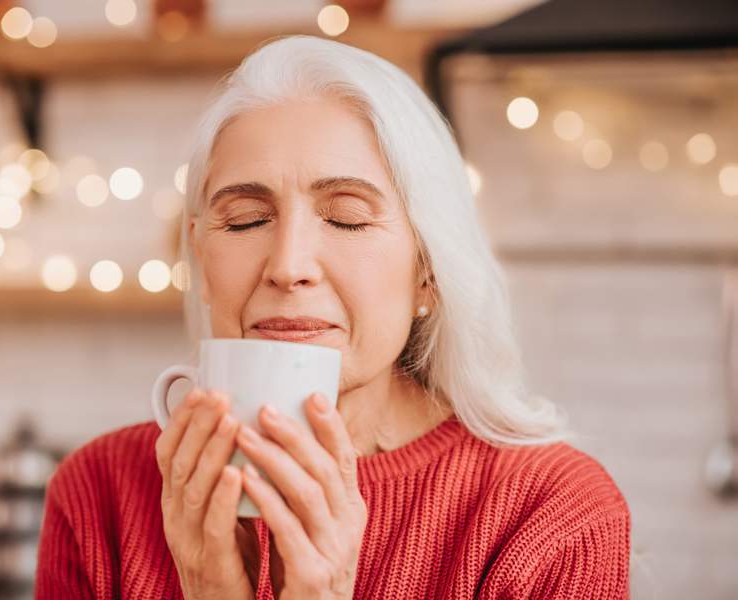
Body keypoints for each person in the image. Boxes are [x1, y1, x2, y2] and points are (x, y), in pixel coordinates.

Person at [35, 34, 630, 599]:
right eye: (244, 220)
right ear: (200, 256)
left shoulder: (553, 512)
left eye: (346, 217)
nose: (288, 266)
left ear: (427, 266)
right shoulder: (98, 495)